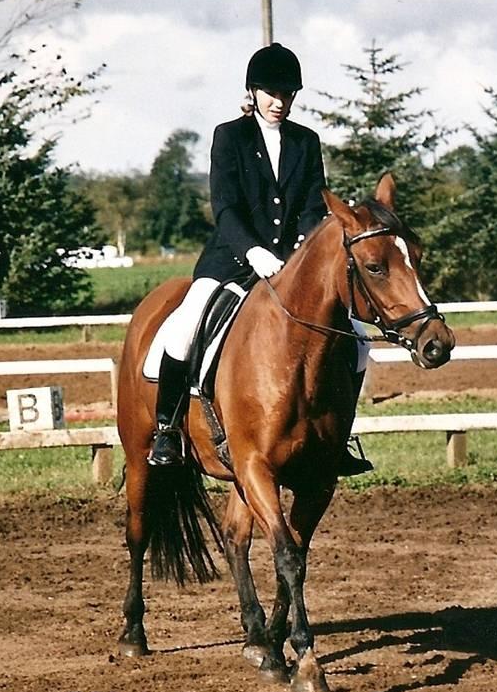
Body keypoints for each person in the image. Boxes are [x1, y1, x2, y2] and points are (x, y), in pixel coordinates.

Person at [146, 42, 372, 476]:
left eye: (287, 93)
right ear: (253, 91)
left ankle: (337, 437)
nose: (279, 102)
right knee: (185, 325)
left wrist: (297, 252)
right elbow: (224, 206)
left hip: (292, 267)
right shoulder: (229, 136)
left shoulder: (306, 141)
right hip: (232, 261)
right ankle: (168, 429)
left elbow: (312, 204)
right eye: (271, 92)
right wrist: (252, 250)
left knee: (358, 342)